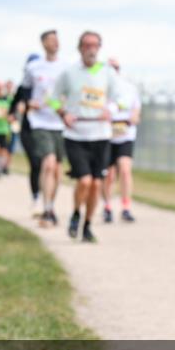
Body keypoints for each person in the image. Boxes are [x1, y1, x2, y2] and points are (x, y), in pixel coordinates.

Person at [50, 31, 120, 243]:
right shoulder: (69, 73)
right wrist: (63, 113)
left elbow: (120, 99)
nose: (91, 49)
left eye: (95, 45)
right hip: (76, 135)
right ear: (80, 48)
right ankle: (75, 213)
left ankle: (87, 224)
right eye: (87, 45)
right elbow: (52, 99)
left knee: (97, 185)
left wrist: (112, 110)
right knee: (84, 181)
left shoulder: (107, 72)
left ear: (99, 48)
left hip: (100, 134)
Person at [21, 31, 67, 227]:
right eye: (50, 40)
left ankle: (51, 205)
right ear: (43, 43)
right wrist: (29, 104)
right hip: (40, 122)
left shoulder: (66, 68)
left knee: (57, 169)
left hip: (61, 123)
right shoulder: (33, 67)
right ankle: (46, 209)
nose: (54, 43)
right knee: (47, 163)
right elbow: (23, 93)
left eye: (56, 40)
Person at [101, 57, 141, 223]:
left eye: (115, 68)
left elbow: (136, 113)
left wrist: (131, 118)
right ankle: (107, 206)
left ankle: (126, 207)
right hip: (106, 135)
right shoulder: (100, 89)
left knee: (125, 170)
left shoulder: (129, 88)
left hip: (125, 135)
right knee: (109, 174)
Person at [11, 55, 42, 215]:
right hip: (28, 130)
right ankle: (36, 196)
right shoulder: (23, 88)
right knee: (36, 163)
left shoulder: (48, 85)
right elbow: (13, 107)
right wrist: (17, 110)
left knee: (48, 165)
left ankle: (47, 199)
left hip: (46, 131)